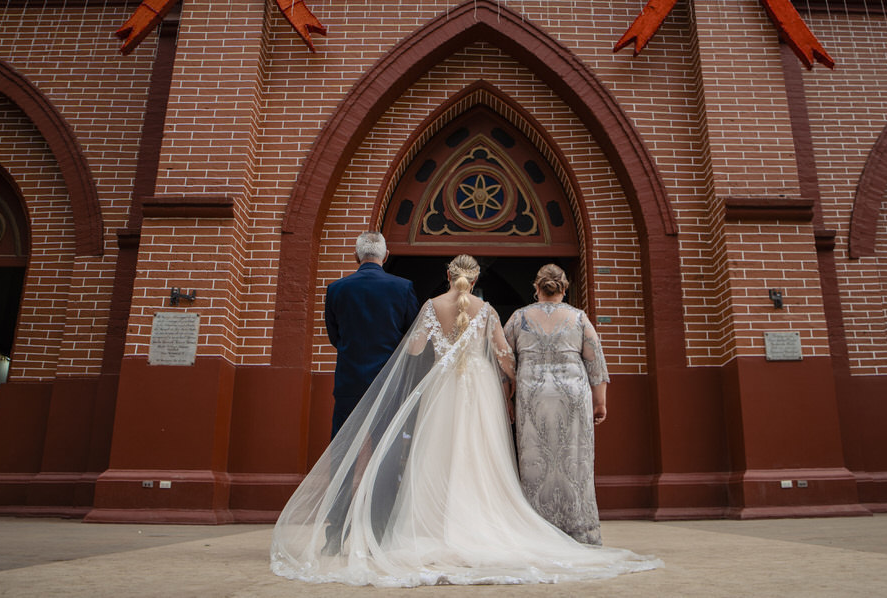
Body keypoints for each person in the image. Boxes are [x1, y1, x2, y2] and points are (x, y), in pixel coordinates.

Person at [270, 255, 660, 586]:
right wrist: (509, 381)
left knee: (436, 454)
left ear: (448, 277)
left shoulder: (429, 307)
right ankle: (483, 522)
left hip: (443, 390)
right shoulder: (488, 311)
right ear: (474, 280)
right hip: (478, 391)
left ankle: (434, 528)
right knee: (480, 456)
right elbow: (504, 355)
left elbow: (416, 347)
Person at [504, 263, 608, 544]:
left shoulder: (518, 318)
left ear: (536, 288)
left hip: (532, 395)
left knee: (536, 462)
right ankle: (579, 530)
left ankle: (538, 530)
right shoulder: (579, 318)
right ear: (565, 288)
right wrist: (600, 403)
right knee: (575, 461)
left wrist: (507, 399)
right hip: (573, 395)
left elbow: (503, 361)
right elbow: (595, 361)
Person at [325, 231, 419, 437]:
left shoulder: (336, 289)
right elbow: (412, 334)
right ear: (386, 256)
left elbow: (334, 336)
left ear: (356, 256)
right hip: (387, 379)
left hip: (348, 379)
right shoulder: (403, 288)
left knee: (343, 446)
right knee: (383, 448)